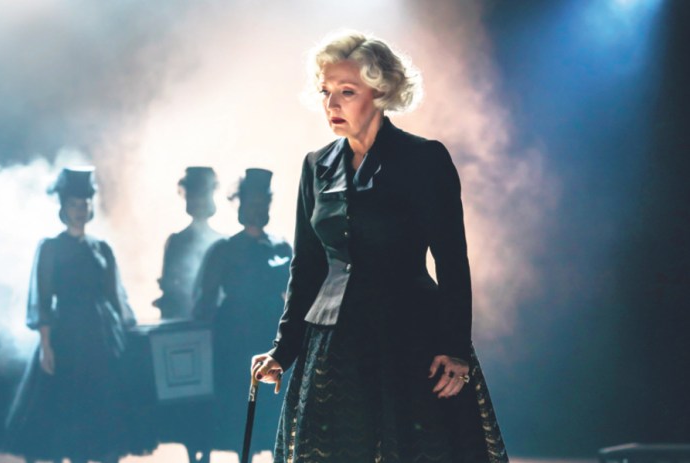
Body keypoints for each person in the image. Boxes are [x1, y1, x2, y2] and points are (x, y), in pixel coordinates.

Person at [251, 31, 509, 463]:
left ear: (381, 92)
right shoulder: (315, 166)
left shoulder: (425, 159)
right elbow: (308, 268)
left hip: (409, 339)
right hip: (333, 346)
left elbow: (451, 260)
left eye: (347, 92)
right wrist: (284, 349)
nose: (332, 104)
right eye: (326, 91)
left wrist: (456, 348)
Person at [4, 167, 147, 463]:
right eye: (73, 205)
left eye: (84, 204)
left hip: (101, 337)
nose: (80, 211)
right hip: (66, 336)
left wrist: (128, 331)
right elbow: (43, 299)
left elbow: (115, 295)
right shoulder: (51, 249)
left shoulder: (102, 249)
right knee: (66, 417)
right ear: (63, 207)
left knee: (105, 417)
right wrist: (46, 346)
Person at [193, 168, 292, 461]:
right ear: (240, 205)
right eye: (251, 202)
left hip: (271, 336)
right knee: (238, 410)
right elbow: (205, 301)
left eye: (263, 202)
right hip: (234, 340)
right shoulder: (224, 250)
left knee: (274, 411)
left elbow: (295, 295)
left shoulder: (281, 247)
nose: (257, 209)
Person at [154, 166, 223, 319]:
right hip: (182, 321)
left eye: (202, 194)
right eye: (194, 195)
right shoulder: (176, 242)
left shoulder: (222, 244)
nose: (198, 201)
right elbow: (169, 290)